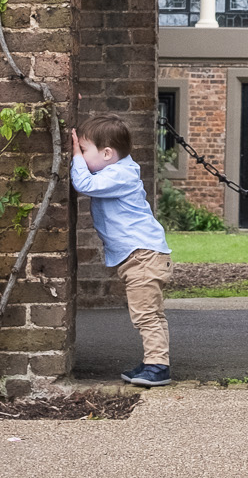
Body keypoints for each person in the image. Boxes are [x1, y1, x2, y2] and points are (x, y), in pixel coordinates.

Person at [71, 113, 175, 388]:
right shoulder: (115, 171)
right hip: (143, 255)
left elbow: (83, 184)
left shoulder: (120, 174)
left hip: (143, 256)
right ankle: (155, 360)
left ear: (107, 153)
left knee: (145, 315)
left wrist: (74, 158)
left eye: (84, 150)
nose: (80, 155)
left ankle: (158, 367)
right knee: (152, 313)